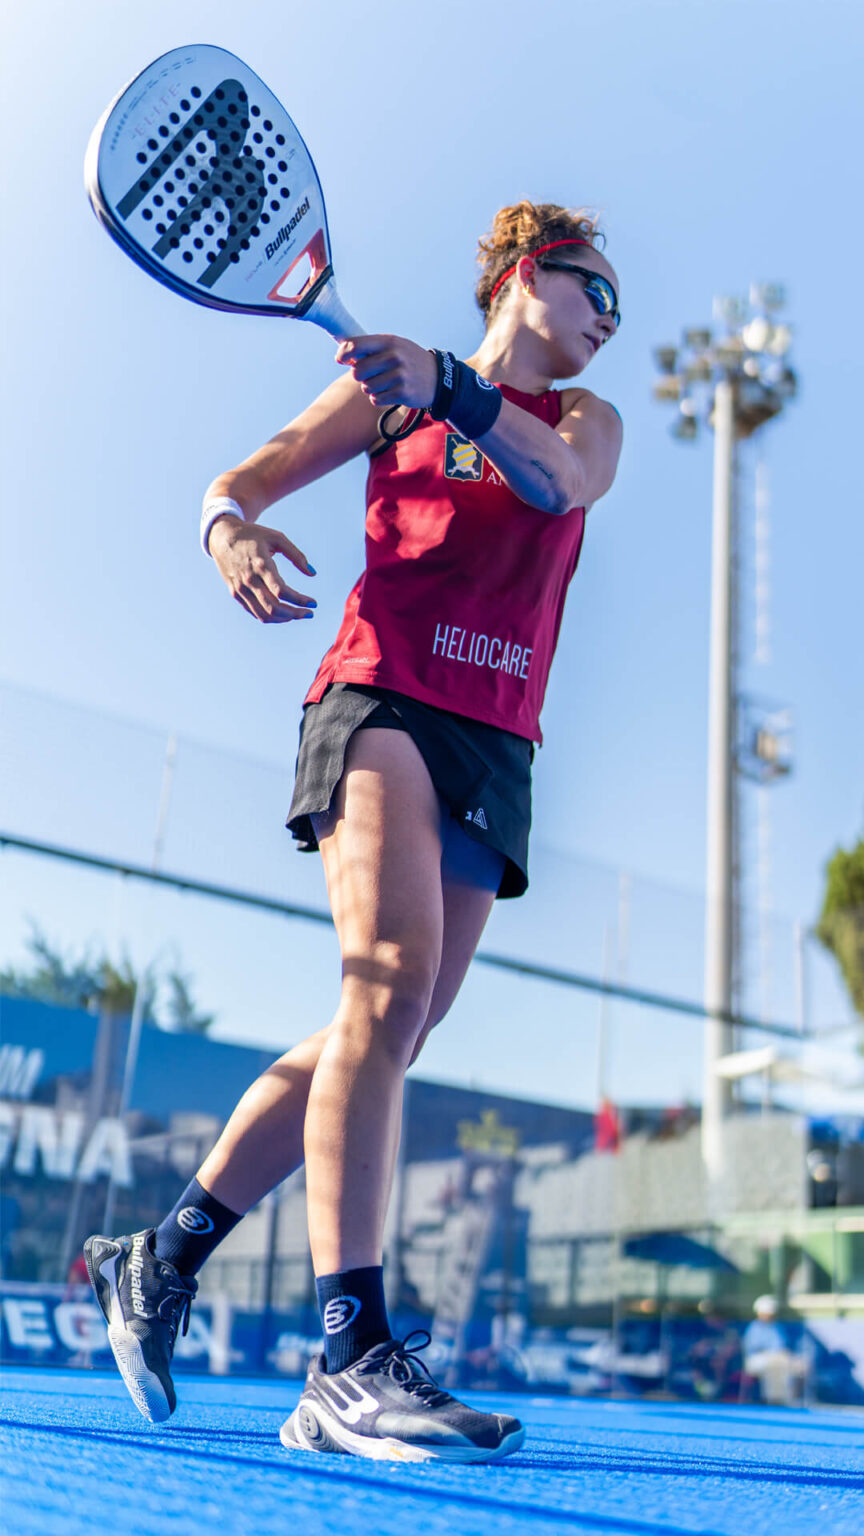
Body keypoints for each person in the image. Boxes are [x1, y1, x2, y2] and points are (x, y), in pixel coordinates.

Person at [84, 200, 623, 1462]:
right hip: (381, 697)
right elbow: (240, 478)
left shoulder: (583, 421)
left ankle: (160, 1258)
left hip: (498, 740)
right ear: (527, 274)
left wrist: (451, 388)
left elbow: (557, 485)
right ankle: (348, 1359)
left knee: (387, 1028)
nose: (610, 316)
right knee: (382, 990)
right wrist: (228, 529)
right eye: (594, 287)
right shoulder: (388, 395)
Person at [741, 1295, 807, 1406]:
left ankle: (794, 1398)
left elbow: (781, 1346)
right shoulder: (754, 1328)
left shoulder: (776, 1327)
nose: (769, 1316)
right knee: (775, 1363)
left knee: (800, 1365)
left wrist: (782, 1354)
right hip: (757, 1360)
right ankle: (775, 1400)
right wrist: (773, 1355)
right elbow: (755, 1349)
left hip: (779, 1358)